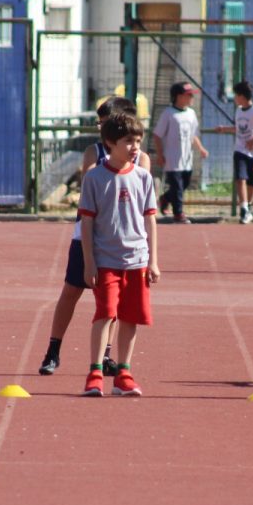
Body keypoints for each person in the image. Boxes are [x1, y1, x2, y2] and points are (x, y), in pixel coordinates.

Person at [39, 98, 151, 376]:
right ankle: (53, 349)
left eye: (104, 121)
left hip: (121, 243)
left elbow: (140, 201)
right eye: (100, 123)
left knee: (114, 303)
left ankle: (108, 355)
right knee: (72, 290)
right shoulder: (95, 151)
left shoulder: (141, 160)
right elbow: (91, 183)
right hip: (87, 237)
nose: (100, 126)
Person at [78, 113, 160, 397]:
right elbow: (86, 223)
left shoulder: (143, 177)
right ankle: (95, 371)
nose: (135, 146)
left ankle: (124, 372)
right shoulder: (94, 178)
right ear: (110, 143)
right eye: (128, 141)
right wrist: (89, 261)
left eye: (138, 140)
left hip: (137, 260)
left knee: (130, 316)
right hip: (106, 261)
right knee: (106, 313)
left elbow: (150, 220)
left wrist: (153, 261)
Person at [214, 80, 253, 224]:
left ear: (242, 96)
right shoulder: (239, 110)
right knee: (240, 178)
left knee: (252, 182)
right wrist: (225, 129)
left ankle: (249, 207)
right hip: (240, 150)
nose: (234, 98)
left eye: (236, 95)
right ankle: (244, 209)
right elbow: (238, 128)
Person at [152, 82, 209, 223]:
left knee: (184, 184)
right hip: (172, 159)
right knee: (177, 187)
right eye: (188, 95)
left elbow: (193, 135)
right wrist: (160, 154)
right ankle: (178, 214)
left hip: (187, 159)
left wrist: (201, 148)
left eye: (191, 95)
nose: (191, 98)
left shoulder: (191, 113)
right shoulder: (168, 113)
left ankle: (165, 199)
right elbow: (157, 135)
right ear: (178, 96)